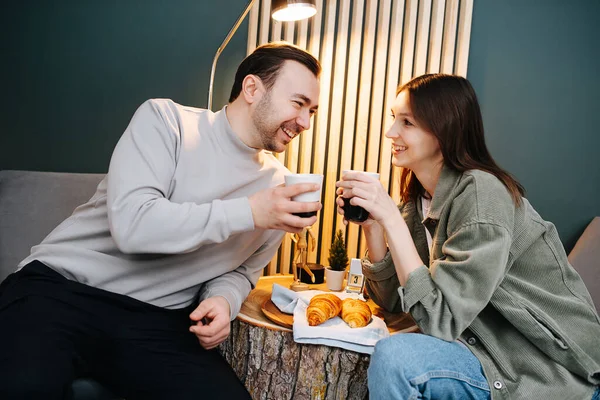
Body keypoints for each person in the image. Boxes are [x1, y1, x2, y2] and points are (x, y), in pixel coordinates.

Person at [0, 41, 322, 399]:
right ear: (251, 88)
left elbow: (243, 270)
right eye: (298, 104)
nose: (305, 122)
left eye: (313, 111)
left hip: (155, 322)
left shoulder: (278, 188)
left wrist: (223, 301)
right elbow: (133, 225)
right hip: (59, 292)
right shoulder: (166, 121)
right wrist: (248, 211)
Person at [336, 73, 600, 400]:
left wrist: (390, 217)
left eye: (407, 122)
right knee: (391, 350)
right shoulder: (421, 200)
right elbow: (392, 302)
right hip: (476, 345)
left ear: (444, 130)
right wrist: (373, 225)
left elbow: (439, 320)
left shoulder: (482, 194)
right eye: (394, 119)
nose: (391, 132)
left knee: (397, 357)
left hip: (535, 363)